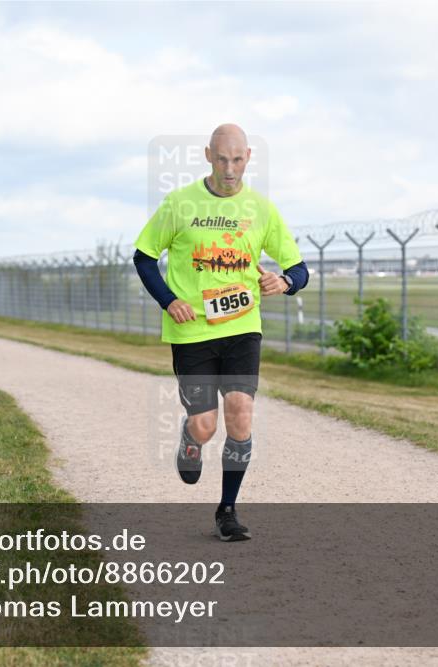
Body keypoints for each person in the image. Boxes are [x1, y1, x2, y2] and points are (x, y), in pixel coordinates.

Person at [133, 124, 309, 542]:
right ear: (208, 156)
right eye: (222, 159)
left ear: (248, 156)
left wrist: (285, 282)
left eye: (238, 159)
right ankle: (190, 435)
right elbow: (143, 257)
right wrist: (168, 300)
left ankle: (227, 511)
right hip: (191, 331)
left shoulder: (262, 210)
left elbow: (299, 268)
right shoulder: (179, 203)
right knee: (207, 426)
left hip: (243, 329)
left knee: (240, 413)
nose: (230, 169)